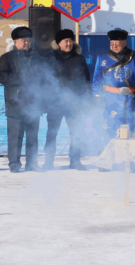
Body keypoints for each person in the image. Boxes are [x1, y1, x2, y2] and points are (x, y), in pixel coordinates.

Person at [0, 26, 43, 173]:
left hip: (34, 103)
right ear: (15, 42)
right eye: (23, 40)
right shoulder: (6, 58)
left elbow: (44, 79)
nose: (26, 43)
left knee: (32, 137)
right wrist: (21, 78)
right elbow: (1, 77)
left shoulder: (37, 58)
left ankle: (32, 163)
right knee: (15, 138)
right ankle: (14, 164)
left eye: (28, 41)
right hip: (15, 103)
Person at [92, 28, 135, 157]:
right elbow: (97, 79)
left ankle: (128, 159)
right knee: (109, 127)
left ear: (125, 42)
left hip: (130, 99)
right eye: (112, 43)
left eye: (118, 43)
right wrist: (97, 97)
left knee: (130, 127)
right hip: (110, 99)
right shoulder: (102, 58)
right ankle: (106, 159)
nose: (114, 46)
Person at [43, 29, 90, 171]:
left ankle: (75, 160)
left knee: (76, 132)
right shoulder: (50, 58)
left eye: (70, 40)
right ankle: (48, 162)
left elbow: (86, 81)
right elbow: (44, 81)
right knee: (52, 133)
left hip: (74, 103)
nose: (69, 43)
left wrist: (86, 100)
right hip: (55, 103)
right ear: (58, 43)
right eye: (66, 41)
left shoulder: (79, 59)